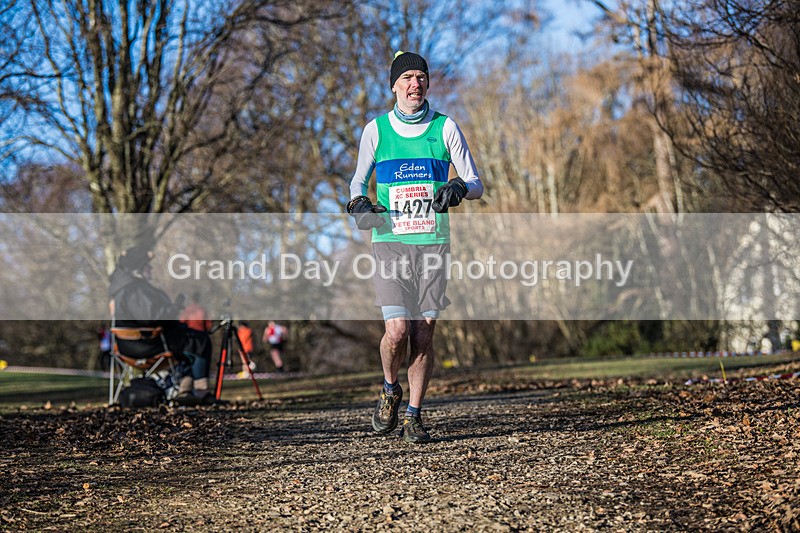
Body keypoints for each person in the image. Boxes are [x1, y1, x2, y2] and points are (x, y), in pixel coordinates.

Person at [347, 51, 483, 443]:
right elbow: (358, 182)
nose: (415, 83)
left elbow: (476, 183)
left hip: (433, 244)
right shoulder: (376, 130)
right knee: (397, 331)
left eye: (421, 77)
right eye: (406, 77)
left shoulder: (445, 127)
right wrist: (359, 205)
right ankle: (390, 388)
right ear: (394, 85)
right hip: (390, 242)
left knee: (423, 334)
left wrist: (458, 187)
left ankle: (414, 415)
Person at [108, 241, 212, 405]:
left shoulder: (124, 289)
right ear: (138, 269)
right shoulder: (135, 290)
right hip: (147, 345)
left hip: (129, 346)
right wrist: (173, 309)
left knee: (188, 342)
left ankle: (186, 389)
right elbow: (152, 318)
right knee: (200, 340)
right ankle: (201, 392)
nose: (151, 268)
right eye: (147, 265)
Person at [178, 291, 214, 402]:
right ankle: (201, 393)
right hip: (201, 341)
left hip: (187, 340)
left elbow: (181, 323)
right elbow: (208, 326)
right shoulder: (202, 310)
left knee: (187, 366)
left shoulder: (186, 311)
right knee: (201, 367)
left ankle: (185, 391)